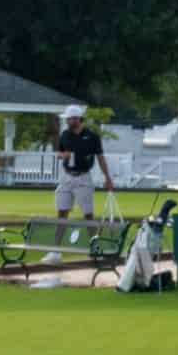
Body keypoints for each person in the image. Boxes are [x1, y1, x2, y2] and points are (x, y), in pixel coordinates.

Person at [50, 107, 114, 254]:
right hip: (66, 177)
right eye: (67, 119)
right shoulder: (65, 135)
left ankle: (95, 248)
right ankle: (55, 251)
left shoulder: (92, 137)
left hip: (83, 177)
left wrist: (107, 178)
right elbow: (59, 152)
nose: (67, 121)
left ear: (78, 119)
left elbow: (100, 158)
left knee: (88, 215)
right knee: (61, 213)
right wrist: (62, 155)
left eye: (70, 118)